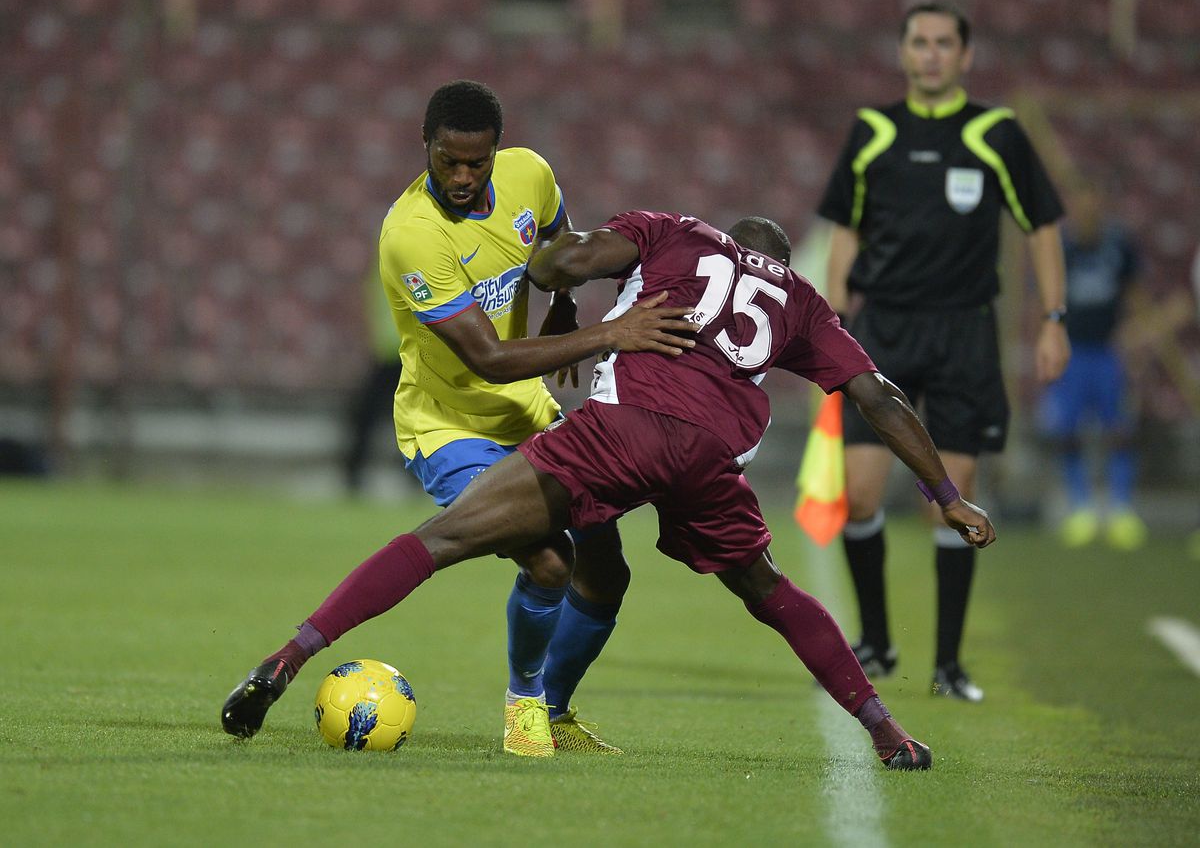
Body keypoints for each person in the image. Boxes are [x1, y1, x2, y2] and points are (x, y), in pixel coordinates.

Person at [221, 210, 997, 771]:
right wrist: (946, 494)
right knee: (769, 592)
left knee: (442, 538)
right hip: (706, 461)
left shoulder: (676, 232)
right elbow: (880, 397)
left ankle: (288, 655)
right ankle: (887, 730)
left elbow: (564, 260)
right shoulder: (801, 302)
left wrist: (559, 281)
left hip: (619, 427)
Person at [221, 81, 698, 757]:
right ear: (426, 148)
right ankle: (521, 703)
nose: (465, 177)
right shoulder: (412, 234)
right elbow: (491, 358)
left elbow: (561, 245)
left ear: (497, 151)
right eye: (450, 161)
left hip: (528, 410)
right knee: (548, 560)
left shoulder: (530, 174)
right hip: (446, 424)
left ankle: (554, 709)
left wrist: (562, 303)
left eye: (477, 162)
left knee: (606, 566)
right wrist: (607, 334)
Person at [818, 3, 1069, 702]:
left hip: (963, 331)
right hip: (884, 329)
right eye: (918, 42)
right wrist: (835, 315)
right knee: (860, 493)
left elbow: (1042, 226)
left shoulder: (996, 133)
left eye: (943, 44)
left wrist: (1054, 318)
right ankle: (876, 641)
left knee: (951, 500)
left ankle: (949, 665)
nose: (930, 54)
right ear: (902, 52)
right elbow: (844, 228)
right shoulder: (872, 132)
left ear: (965, 56)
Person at [1038, 179, 1146, 550]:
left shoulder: (1119, 245)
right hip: (1073, 353)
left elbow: (1134, 295)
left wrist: (1135, 341)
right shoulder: (1062, 249)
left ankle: (1120, 508)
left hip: (1108, 352)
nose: (1087, 210)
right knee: (1068, 431)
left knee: (1119, 429)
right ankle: (1080, 506)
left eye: (1093, 201)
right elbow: (1050, 297)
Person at [342, 268, 406, 495]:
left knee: (372, 417)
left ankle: (354, 473)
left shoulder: (394, 254)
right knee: (402, 416)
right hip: (392, 353)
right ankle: (354, 473)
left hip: (401, 353)